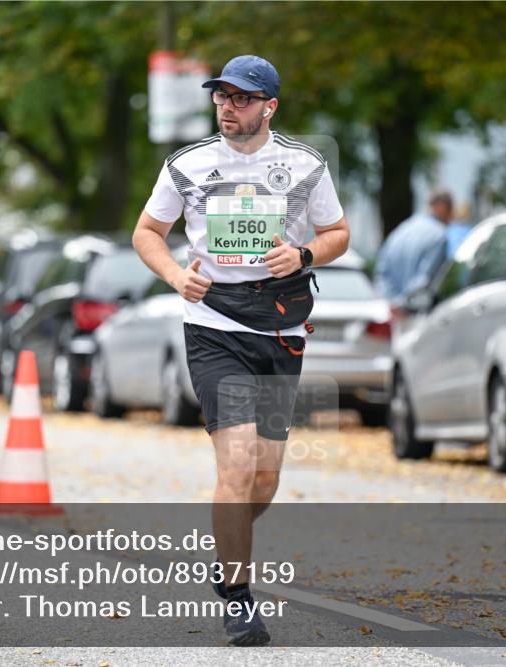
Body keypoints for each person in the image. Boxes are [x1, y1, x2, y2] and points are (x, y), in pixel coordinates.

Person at [132, 54, 350, 646]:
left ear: (269, 106)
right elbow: (146, 234)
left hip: (279, 326)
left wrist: (303, 256)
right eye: (221, 97)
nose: (228, 107)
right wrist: (179, 278)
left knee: (264, 479)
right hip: (213, 323)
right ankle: (238, 594)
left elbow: (338, 233)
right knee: (235, 463)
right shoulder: (188, 164)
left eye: (241, 98)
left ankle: (227, 544)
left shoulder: (304, 165)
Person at [374, 189, 454, 305]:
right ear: (441, 207)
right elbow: (425, 280)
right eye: (450, 211)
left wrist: (392, 303)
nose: (451, 218)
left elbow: (382, 273)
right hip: (416, 313)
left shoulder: (401, 230)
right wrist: (404, 305)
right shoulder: (439, 236)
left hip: (389, 309)